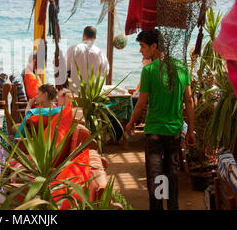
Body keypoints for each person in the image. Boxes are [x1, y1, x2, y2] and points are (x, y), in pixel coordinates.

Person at [125, 29, 196, 210]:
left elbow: (140, 104)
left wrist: (131, 123)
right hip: (174, 132)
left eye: (142, 46)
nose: (141, 50)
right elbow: (188, 100)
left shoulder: (149, 70)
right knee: (171, 173)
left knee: (156, 177)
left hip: (155, 132)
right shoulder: (181, 68)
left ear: (154, 46)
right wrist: (192, 130)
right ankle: (172, 207)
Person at [65, 26, 110, 94]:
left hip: (75, 93)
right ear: (95, 38)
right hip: (92, 94)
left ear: (83, 35)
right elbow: (105, 73)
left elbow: (65, 69)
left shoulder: (73, 49)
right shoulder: (100, 53)